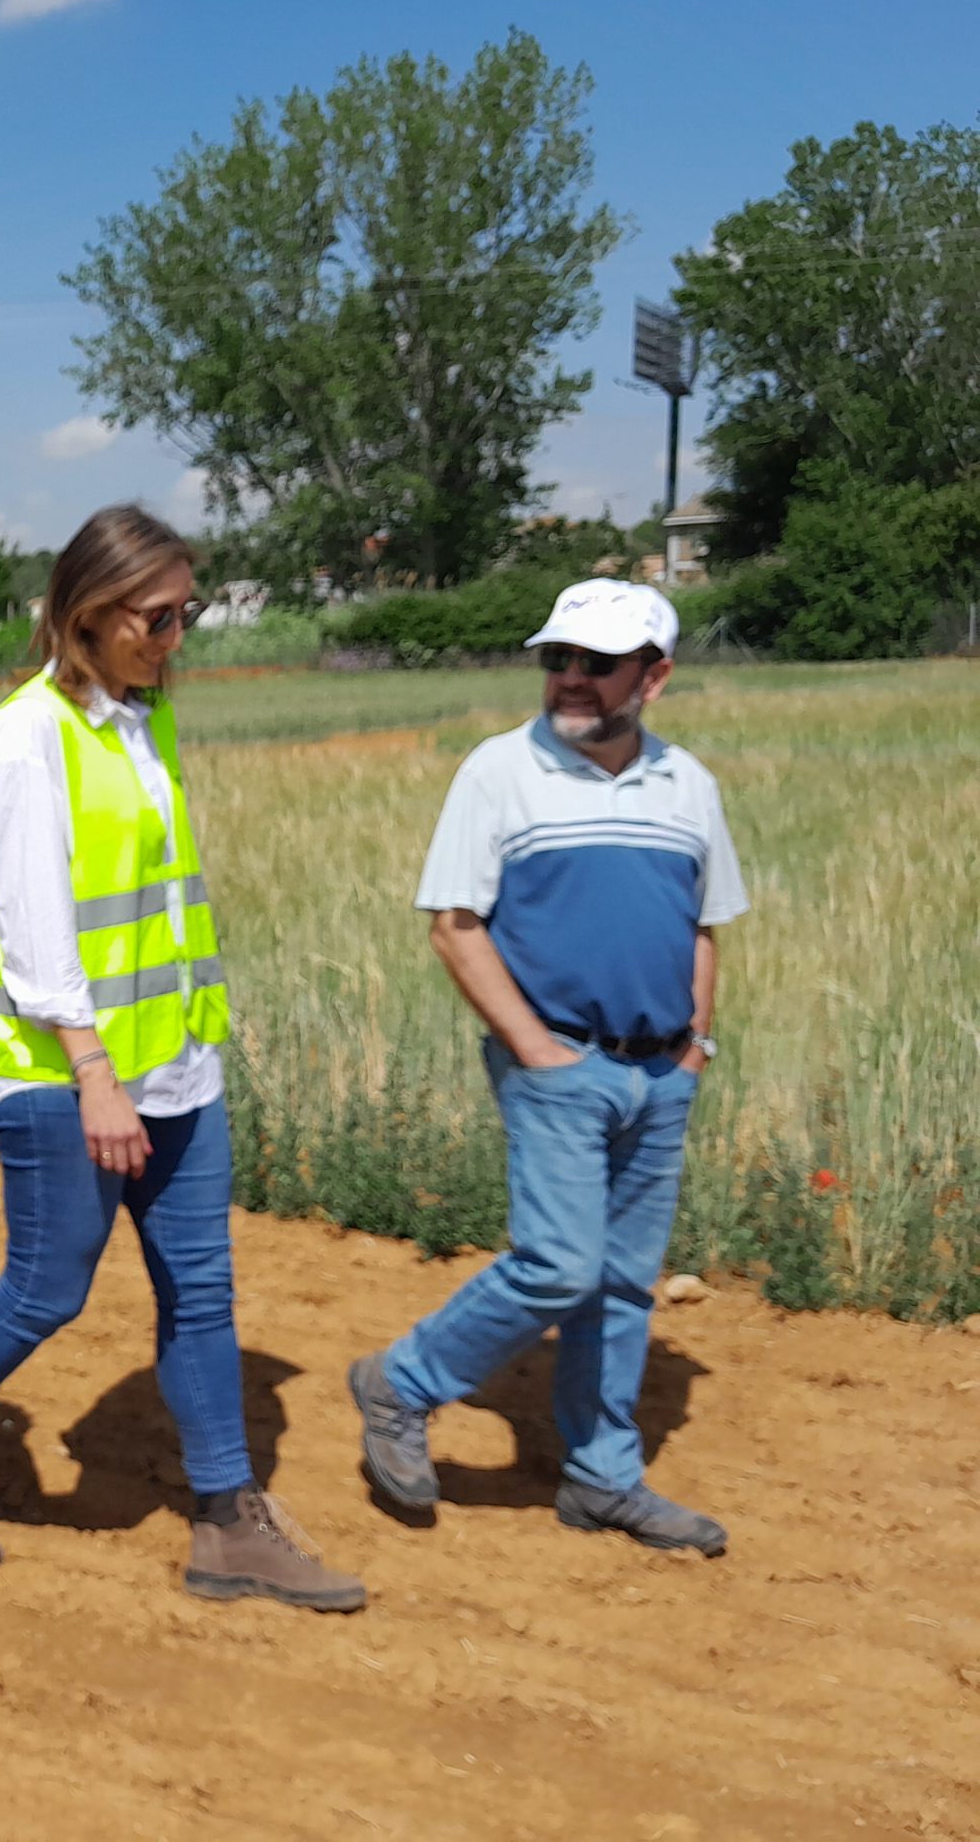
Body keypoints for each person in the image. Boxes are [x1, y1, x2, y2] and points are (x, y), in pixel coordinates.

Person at [0, 506, 364, 1612]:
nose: (175, 636)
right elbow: (35, 925)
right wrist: (94, 1073)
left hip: (174, 1064)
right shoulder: (18, 740)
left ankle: (226, 1522)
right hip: (66, 1075)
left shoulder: (138, 722)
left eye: (184, 613)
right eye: (157, 617)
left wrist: (182, 1049)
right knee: (45, 1293)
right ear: (89, 616)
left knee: (200, 1292)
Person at [353, 580, 745, 1558]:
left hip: (658, 1074)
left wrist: (694, 1045)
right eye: (555, 659)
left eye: (594, 663)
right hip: (557, 1063)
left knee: (619, 1284)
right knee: (559, 1263)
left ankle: (601, 1479)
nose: (568, 679)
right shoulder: (497, 773)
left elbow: (702, 924)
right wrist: (536, 1048)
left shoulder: (687, 785)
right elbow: (454, 925)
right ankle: (400, 1383)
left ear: (652, 677)